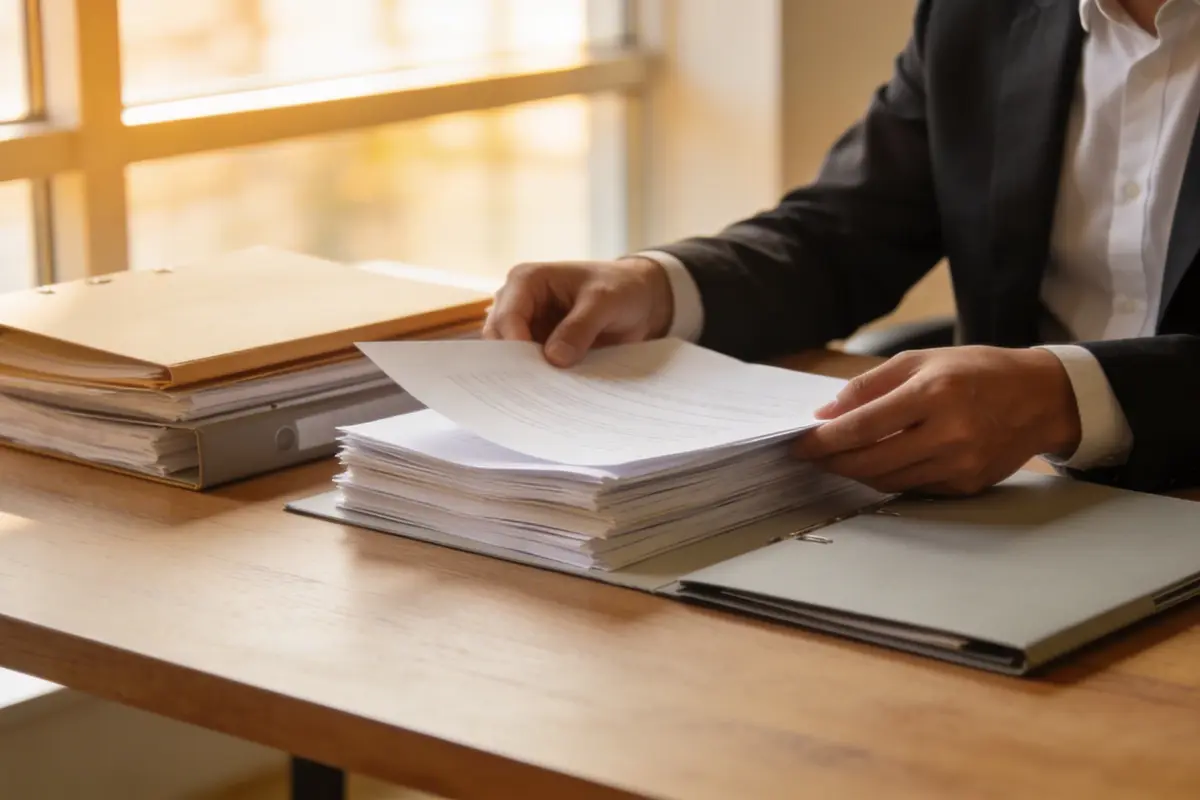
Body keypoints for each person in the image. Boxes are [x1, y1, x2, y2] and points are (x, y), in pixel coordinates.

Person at [484, 0, 1200, 495]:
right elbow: (845, 232)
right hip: (1016, 504)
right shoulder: (978, 15)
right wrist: (655, 283)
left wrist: (1068, 397)